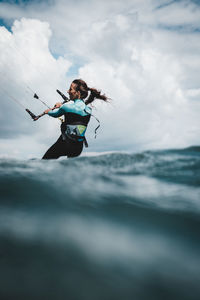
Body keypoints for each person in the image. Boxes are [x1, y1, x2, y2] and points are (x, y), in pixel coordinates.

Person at [42, 79, 108, 159]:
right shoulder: (88, 110)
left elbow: (55, 114)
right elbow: (78, 108)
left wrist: (48, 111)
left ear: (78, 93)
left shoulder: (66, 107)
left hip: (64, 144)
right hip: (78, 148)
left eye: (70, 89)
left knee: (45, 161)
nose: (67, 91)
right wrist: (63, 105)